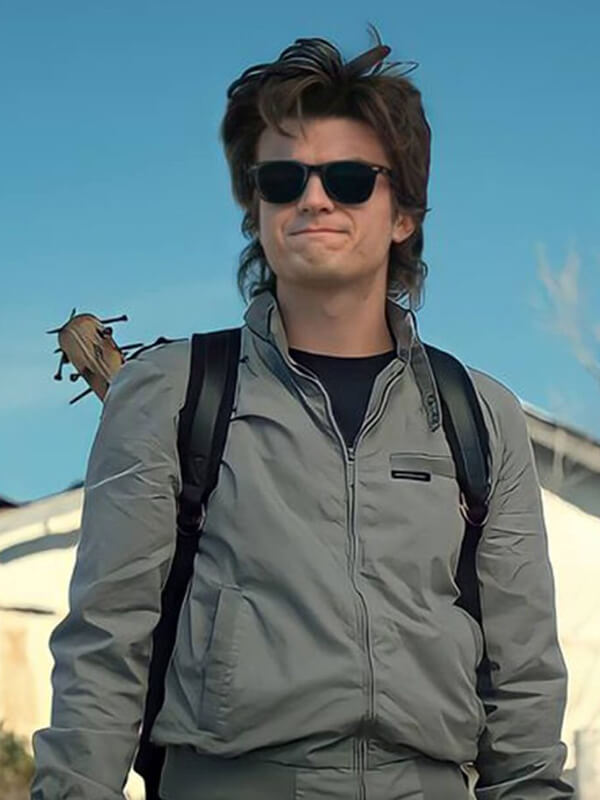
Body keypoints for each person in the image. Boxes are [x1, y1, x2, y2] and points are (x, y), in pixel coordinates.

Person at [31, 26, 574, 800]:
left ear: (403, 215)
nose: (314, 198)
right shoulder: (172, 394)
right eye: (283, 180)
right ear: (256, 209)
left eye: (349, 179)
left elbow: (523, 683)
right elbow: (104, 648)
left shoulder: (480, 416)